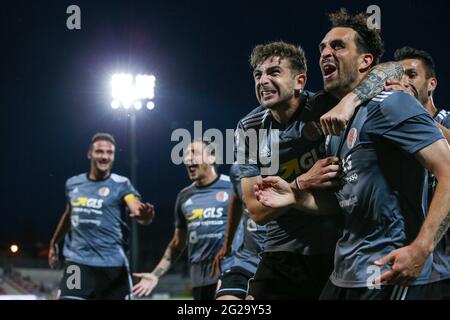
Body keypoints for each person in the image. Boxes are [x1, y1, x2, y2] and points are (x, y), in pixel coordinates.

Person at [254, 9, 450, 300]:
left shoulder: (391, 103)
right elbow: (340, 201)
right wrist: (295, 195)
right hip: (344, 273)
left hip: (386, 271)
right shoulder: (336, 125)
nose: (325, 53)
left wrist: (422, 246)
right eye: (322, 48)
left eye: (338, 46)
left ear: (365, 61)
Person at [235, 40, 406, 299]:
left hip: (338, 248)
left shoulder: (326, 105)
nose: (262, 80)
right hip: (282, 250)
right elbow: (257, 211)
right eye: (258, 74)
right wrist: (300, 183)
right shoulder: (250, 128)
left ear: (300, 82)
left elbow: (393, 69)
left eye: (274, 72)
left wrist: (350, 101)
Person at [49, 133, 155, 300]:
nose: (105, 156)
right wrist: (54, 241)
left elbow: (136, 208)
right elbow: (69, 214)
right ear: (90, 153)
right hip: (78, 263)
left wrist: (144, 216)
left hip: (113, 267)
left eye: (109, 152)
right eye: (100, 151)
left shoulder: (122, 185)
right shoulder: (73, 184)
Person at [132, 140, 234, 300]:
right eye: (186, 154)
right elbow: (177, 244)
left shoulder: (233, 186)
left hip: (230, 275)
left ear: (212, 157)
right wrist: (155, 274)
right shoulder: (184, 196)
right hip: (200, 281)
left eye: (194, 153)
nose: (188, 158)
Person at [213, 163, 266, 300]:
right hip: (248, 259)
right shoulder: (238, 168)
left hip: (285, 257)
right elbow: (236, 197)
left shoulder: (290, 156)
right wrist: (227, 244)